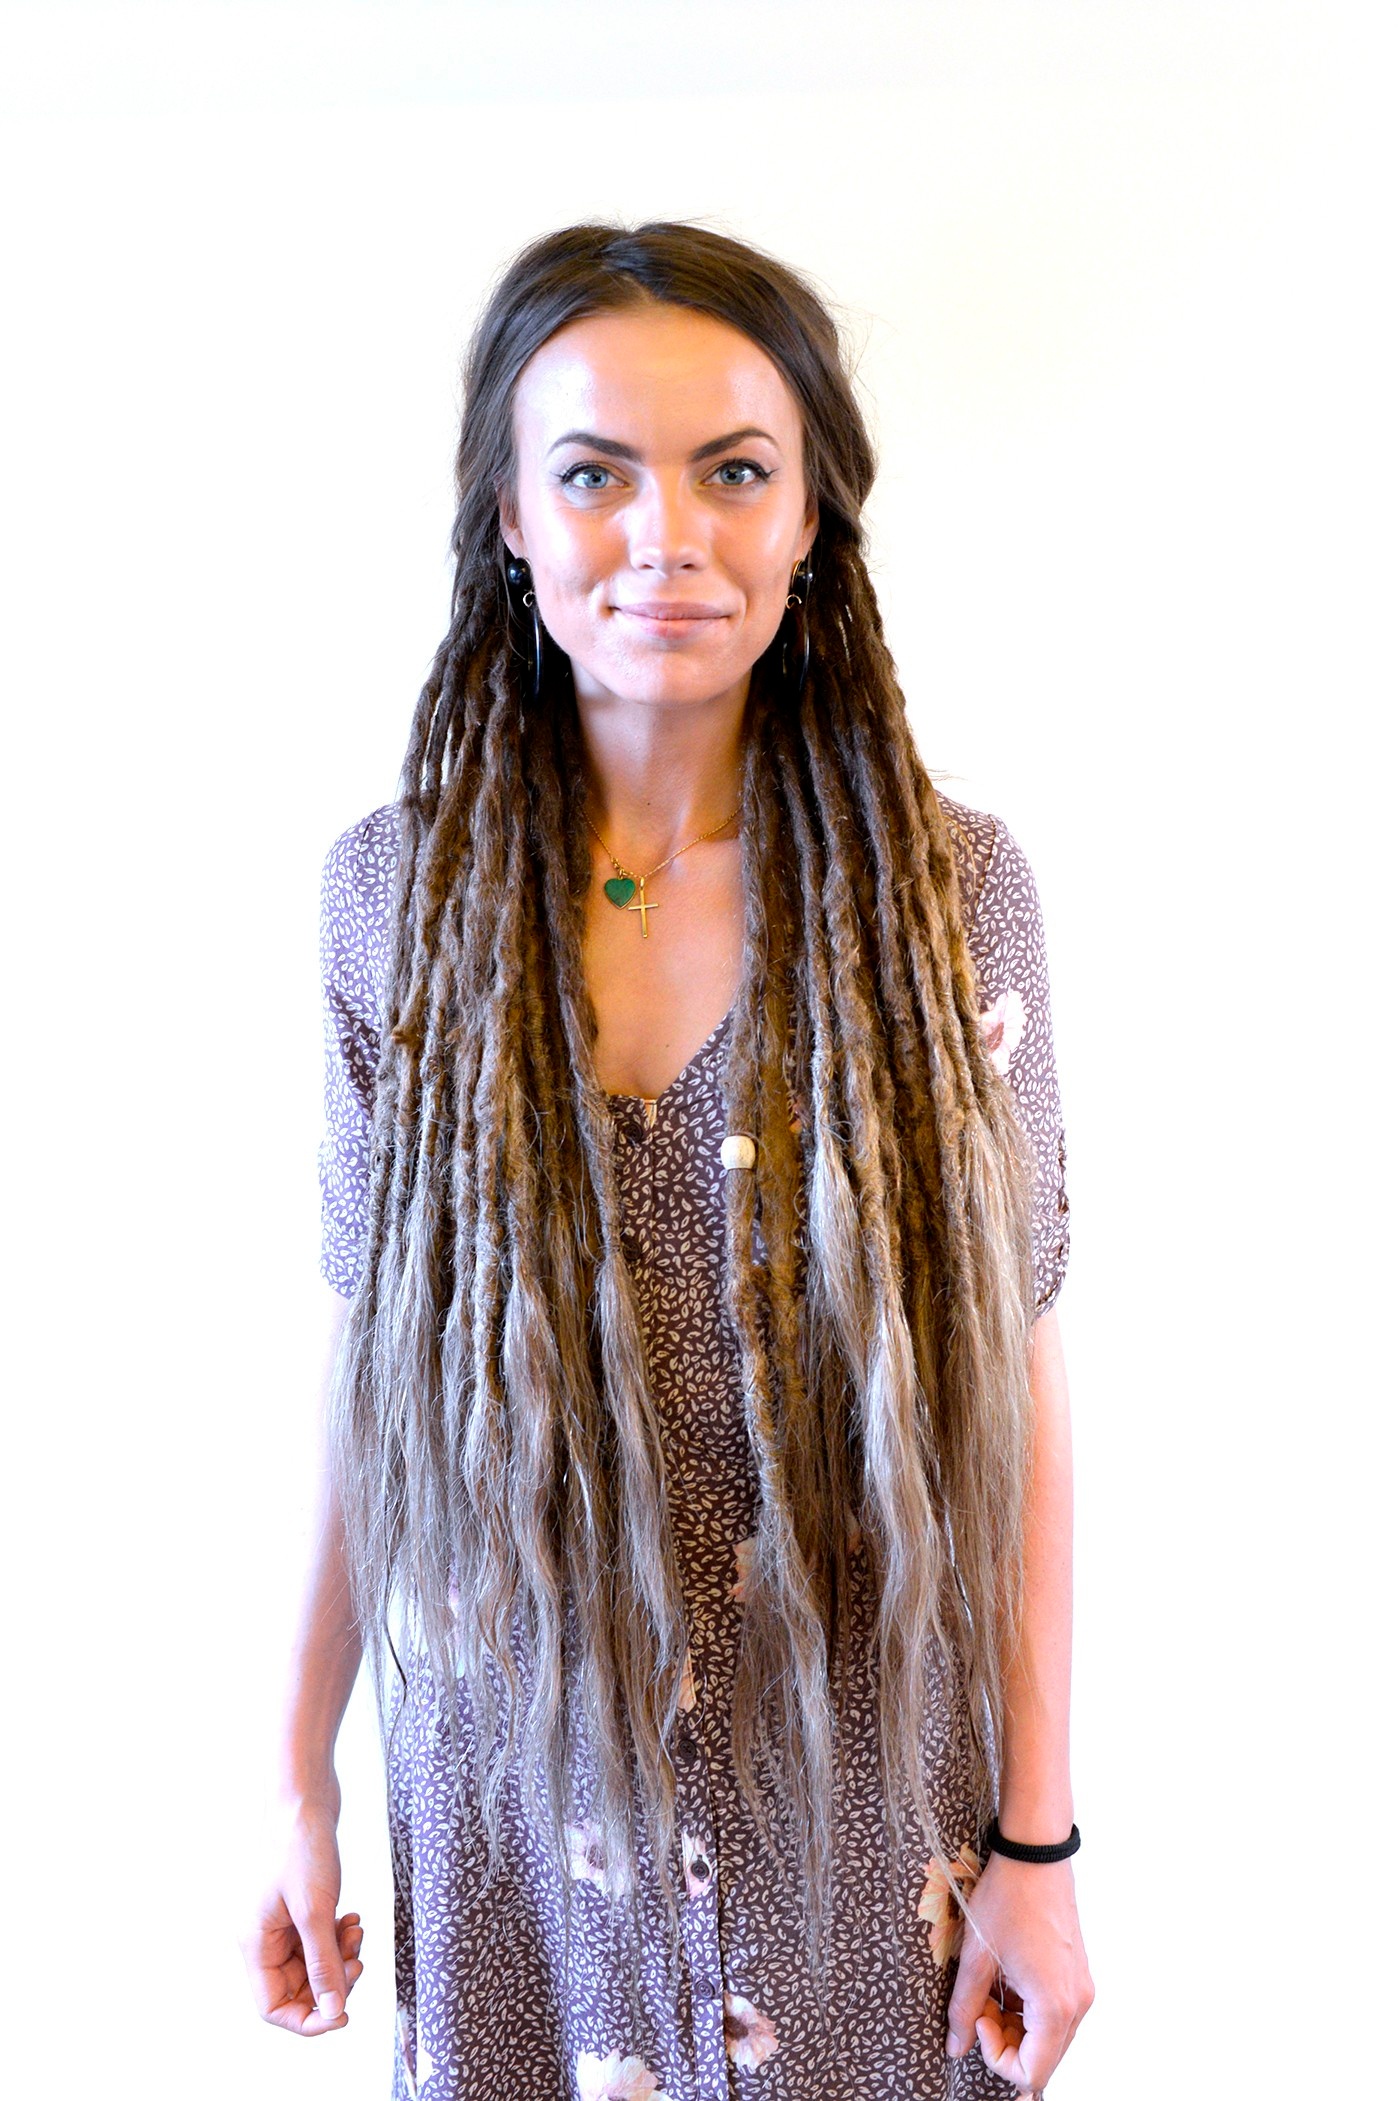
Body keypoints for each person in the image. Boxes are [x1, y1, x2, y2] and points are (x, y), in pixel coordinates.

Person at [241, 221, 1093, 2100]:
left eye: (733, 470)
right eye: (593, 474)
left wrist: (1038, 1839)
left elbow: (1018, 1385)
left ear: (811, 519)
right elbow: (371, 1370)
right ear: (510, 518)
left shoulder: (948, 904)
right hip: (514, 1806)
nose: (666, 536)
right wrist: (292, 1772)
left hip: (857, 1801)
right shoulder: (394, 904)